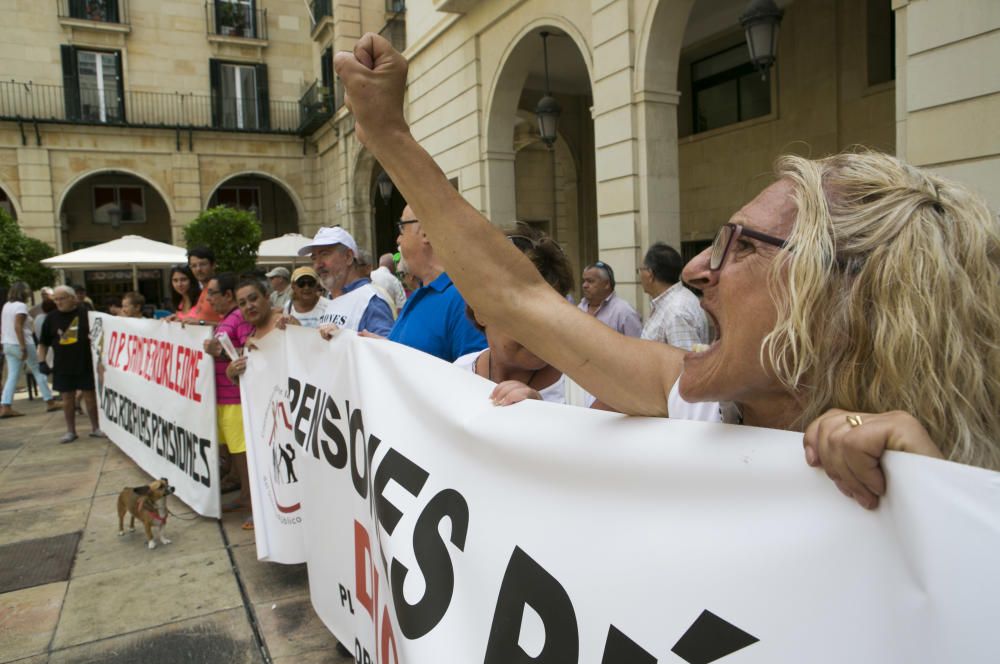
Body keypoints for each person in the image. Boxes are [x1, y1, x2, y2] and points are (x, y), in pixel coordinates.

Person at [334, 35, 1000, 509]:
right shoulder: (699, 404)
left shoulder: (931, 491)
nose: (696, 267)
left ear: (846, 302)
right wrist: (387, 132)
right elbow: (515, 296)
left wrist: (934, 502)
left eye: (740, 245)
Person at [454, 224, 581, 406]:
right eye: (522, 310)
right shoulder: (456, 376)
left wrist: (541, 415)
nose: (540, 323)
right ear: (480, 311)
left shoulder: (588, 387)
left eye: (551, 308)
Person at [382, 205, 487, 361]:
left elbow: (473, 377)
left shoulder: (462, 299)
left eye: (402, 227)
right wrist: (377, 346)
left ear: (426, 232)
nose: (398, 239)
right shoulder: (421, 293)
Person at [225, 277, 282, 530]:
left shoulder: (284, 325)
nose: (249, 306)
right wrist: (232, 373)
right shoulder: (249, 337)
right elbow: (253, 384)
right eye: (242, 303)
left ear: (267, 298)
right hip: (265, 428)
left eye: (253, 298)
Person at [202, 272, 255, 513]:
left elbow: (249, 354)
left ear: (227, 295)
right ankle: (243, 492)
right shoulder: (226, 319)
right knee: (234, 451)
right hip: (224, 397)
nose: (208, 298)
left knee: (242, 452)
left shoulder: (239, 318)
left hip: (235, 398)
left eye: (212, 293)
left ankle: (250, 498)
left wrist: (220, 352)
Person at [297, 226, 393, 336]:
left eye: (324, 254)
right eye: (314, 258)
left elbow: (385, 349)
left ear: (348, 257)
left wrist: (343, 337)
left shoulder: (370, 301)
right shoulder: (332, 299)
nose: (318, 264)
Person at [38, 286, 104, 442]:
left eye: (62, 298)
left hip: (85, 362)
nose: (59, 302)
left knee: (90, 397)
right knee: (67, 399)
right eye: (56, 299)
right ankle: (71, 431)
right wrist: (41, 361)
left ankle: (96, 427)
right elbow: (43, 343)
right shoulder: (51, 318)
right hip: (62, 365)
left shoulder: (87, 314)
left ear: (73, 298)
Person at [2, 282, 60, 417]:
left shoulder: (7, 305)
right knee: (38, 370)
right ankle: (50, 401)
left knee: (12, 375)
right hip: (22, 344)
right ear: (23, 293)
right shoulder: (20, 306)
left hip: (8, 344)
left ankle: (6, 406)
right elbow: (18, 326)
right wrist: (23, 347)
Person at [638, 242, 710, 350]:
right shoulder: (669, 302)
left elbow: (683, 362)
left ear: (650, 274)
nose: (639, 275)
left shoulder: (676, 311)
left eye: (640, 270)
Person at [579, 261, 642, 337]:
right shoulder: (580, 308)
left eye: (590, 281)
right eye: (584, 281)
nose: (584, 285)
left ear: (606, 284)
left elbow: (636, 345)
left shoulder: (624, 312)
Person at [175, 247, 222, 324]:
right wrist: (180, 320)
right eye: (194, 266)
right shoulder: (204, 290)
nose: (198, 269)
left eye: (203, 264)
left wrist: (201, 323)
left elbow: (233, 324)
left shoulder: (220, 288)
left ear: (213, 265)